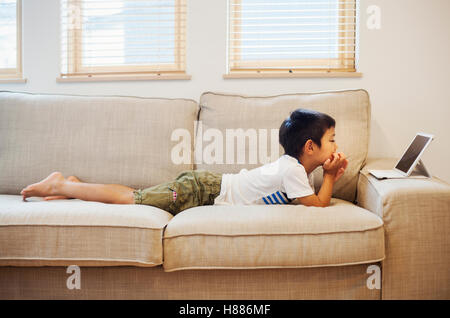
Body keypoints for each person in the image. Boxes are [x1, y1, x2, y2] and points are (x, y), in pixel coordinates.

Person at [20, 108, 348, 214]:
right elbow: (318, 204)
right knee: (131, 199)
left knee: (137, 195)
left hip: (205, 187)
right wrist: (331, 174)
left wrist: (325, 169)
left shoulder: (293, 169)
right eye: (331, 139)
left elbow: (308, 198)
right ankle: (61, 183)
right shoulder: (292, 170)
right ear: (309, 147)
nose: (335, 145)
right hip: (201, 191)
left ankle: (76, 186)